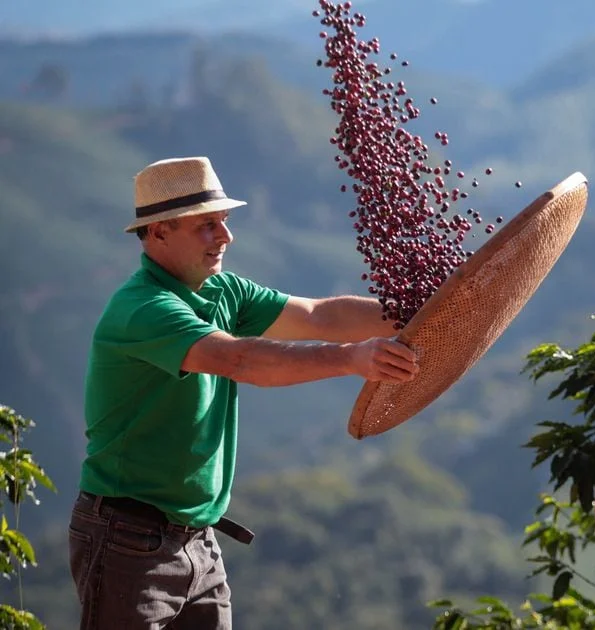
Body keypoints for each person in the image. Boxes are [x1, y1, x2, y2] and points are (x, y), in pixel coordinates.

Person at [68, 156, 420, 629]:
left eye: (225, 222)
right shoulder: (144, 309)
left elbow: (318, 316)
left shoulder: (223, 290)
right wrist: (350, 359)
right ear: (158, 232)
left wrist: (423, 312)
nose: (225, 237)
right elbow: (239, 360)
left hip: (199, 540)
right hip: (127, 539)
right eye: (207, 226)